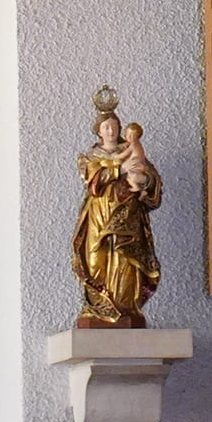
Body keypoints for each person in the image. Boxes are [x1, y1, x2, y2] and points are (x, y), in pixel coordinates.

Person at [71, 87, 163, 328]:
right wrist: (119, 170)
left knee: (124, 259)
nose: (111, 131)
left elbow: (151, 180)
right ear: (99, 131)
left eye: (114, 126)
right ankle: (99, 306)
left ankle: (125, 306)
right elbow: (94, 182)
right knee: (95, 259)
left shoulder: (131, 150)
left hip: (127, 214)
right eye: (106, 127)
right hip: (99, 214)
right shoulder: (90, 157)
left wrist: (144, 181)